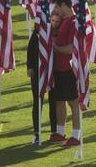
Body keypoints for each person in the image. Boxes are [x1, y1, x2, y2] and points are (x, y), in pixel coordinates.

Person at [50, 0, 81, 147]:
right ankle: (60, 132)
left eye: (57, 6)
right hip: (59, 68)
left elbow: (71, 48)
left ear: (63, 5)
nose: (56, 9)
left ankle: (76, 135)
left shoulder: (73, 22)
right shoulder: (63, 21)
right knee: (59, 101)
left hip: (69, 68)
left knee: (73, 102)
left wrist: (55, 48)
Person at [27, 11, 62, 145]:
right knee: (37, 101)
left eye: (57, 21)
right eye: (52, 20)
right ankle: (37, 133)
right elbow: (30, 49)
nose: (54, 23)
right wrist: (29, 67)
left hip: (53, 72)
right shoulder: (38, 34)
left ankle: (54, 131)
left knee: (53, 101)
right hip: (37, 71)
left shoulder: (59, 34)